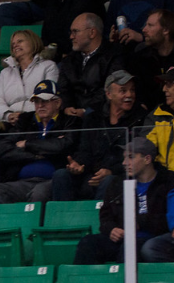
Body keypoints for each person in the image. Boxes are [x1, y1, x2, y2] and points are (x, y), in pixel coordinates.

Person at [0, 80, 81, 205]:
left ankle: (33, 224)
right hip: (22, 181)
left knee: (39, 192)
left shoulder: (70, 121)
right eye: (36, 101)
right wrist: (35, 155)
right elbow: (4, 149)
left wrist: (27, 144)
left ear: (57, 103)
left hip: (51, 180)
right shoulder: (25, 120)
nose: (40, 105)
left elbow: (63, 146)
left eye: (45, 101)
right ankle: (12, 224)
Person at [54, 70, 146, 201]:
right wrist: (79, 165)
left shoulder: (140, 117)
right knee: (61, 175)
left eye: (132, 90)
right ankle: (62, 219)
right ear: (109, 94)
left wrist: (111, 171)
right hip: (92, 173)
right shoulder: (93, 118)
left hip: (121, 174)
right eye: (123, 90)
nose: (129, 95)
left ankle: (101, 220)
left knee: (109, 181)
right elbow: (85, 150)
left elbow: (138, 156)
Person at [84, 137, 174, 263]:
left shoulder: (168, 181)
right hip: (123, 238)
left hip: (150, 238)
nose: (124, 163)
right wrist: (112, 229)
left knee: (130, 248)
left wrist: (140, 222)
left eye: (130, 157)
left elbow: (166, 220)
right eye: (124, 157)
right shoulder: (118, 183)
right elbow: (105, 215)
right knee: (88, 243)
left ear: (147, 159)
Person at [59, 13, 127, 117]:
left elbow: (110, 88)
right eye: (71, 32)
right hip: (72, 120)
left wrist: (87, 110)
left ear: (92, 32)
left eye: (75, 32)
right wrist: (67, 107)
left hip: (103, 117)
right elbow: (63, 89)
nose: (71, 37)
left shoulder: (114, 55)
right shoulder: (68, 61)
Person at [0, 29, 61, 124]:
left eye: (20, 41)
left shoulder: (48, 66)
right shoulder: (5, 73)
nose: (15, 45)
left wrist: (25, 116)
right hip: (12, 122)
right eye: (13, 43)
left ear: (33, 43)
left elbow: (49, 95)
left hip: (38, 120)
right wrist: (8, 115)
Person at [127, 10, 174, 110]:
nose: (144, 29)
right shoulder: (141, 56)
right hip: (149, 116)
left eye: (150, 25)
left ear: (165, 30)